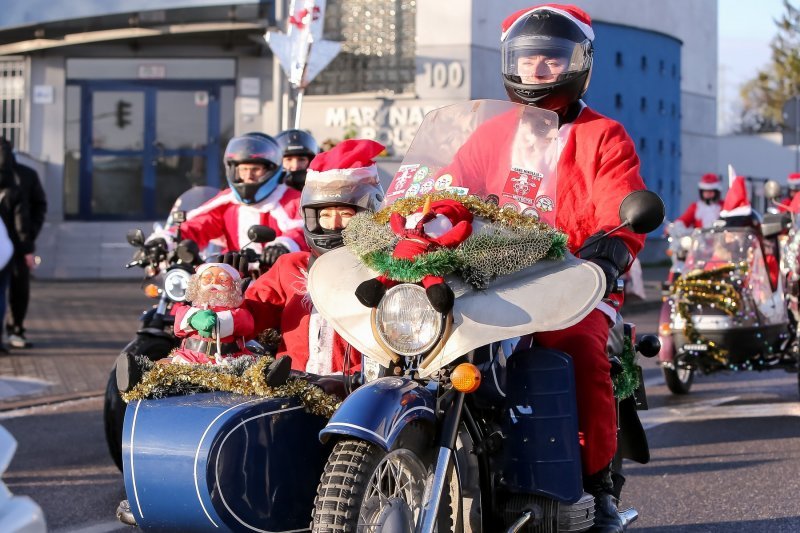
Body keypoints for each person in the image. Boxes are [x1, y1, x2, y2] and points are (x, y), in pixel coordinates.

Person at [438, 6, 647, 531]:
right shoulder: (488, 134)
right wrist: (421, 222)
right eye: (529, 61)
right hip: (486, 275)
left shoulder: (605, 134)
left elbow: (621, 205)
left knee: (576, 347)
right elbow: (447, 192)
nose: (538, 72)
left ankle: (600, 487)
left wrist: (612, 249)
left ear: (578, 64)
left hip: (571, 278)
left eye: (552, 61)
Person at [244, 138, 385, 376]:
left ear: (367, 214)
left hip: (357, 394)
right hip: (292, 390)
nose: (334, 224)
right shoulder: (290, 267)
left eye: (345, 214)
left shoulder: (385, 270)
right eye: (325, 215)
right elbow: (251, 315)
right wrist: (221, 296)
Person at [152, 134, 307, 267]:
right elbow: (200, 224)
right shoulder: (228, 202)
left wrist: (283, 245)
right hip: (232, 280)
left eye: (255, 169)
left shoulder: (291, 199)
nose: (248, 176)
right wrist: (164, 241)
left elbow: (303, 230)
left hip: (279, 282)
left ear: (271, 169)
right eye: (243, 169)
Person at [5, 147, 47, 349]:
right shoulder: (20, 178)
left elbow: (34, 209)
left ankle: (15, 328)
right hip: (18, 244)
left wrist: (29, 237)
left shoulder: (24, 176)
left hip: (17, 244)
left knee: (19, 288)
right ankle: (14, 331)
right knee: (16, 289)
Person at [0, 139, 32, 353]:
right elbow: (22, 222)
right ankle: (10, 332)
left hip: (8, 247)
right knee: (3, 294)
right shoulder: (14, 184)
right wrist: (26, 248)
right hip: (6, 249)